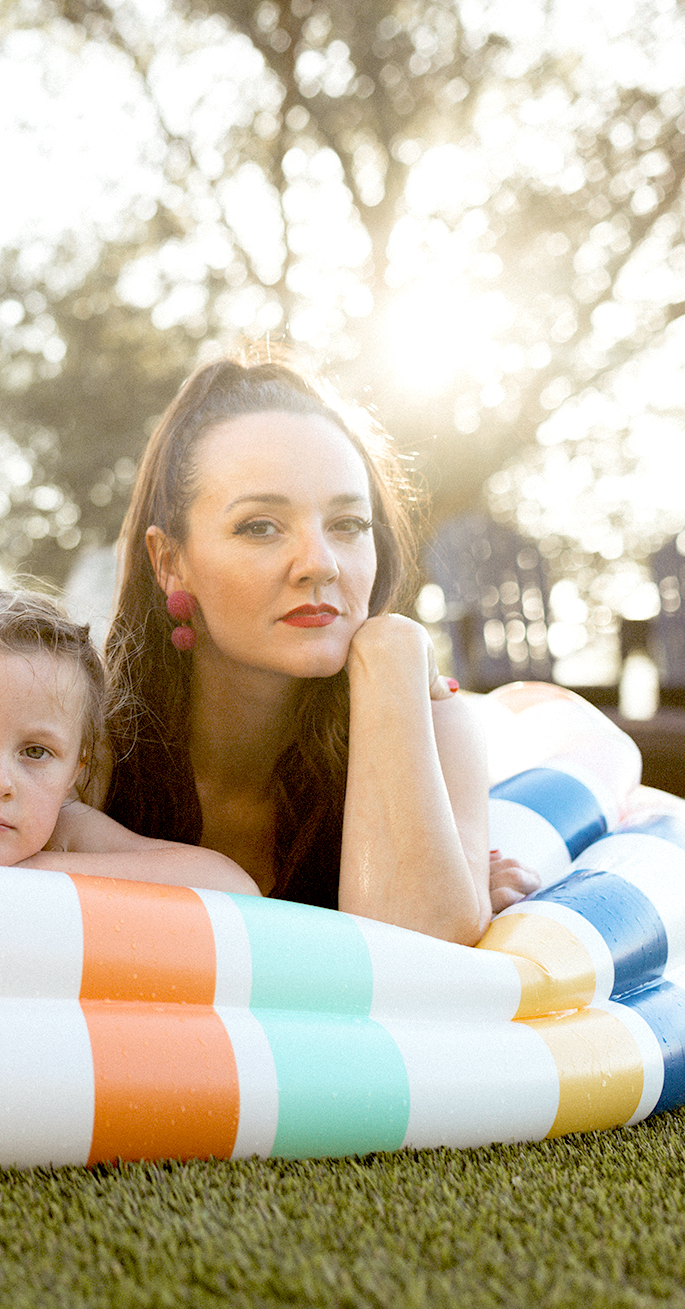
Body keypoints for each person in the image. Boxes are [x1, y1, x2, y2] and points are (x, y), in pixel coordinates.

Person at [64, 354, 530, 943]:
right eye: (260, 526)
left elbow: (417, 955)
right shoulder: (88, 739)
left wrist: (392, 651)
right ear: (170, 562)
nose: (319, 563)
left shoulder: (435, 725)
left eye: (348, 524)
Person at [0, 585, 257, 892]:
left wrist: (4, 877)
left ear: (75, 771)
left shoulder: (63, 832)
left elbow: (231, 886)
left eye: (36, 752)